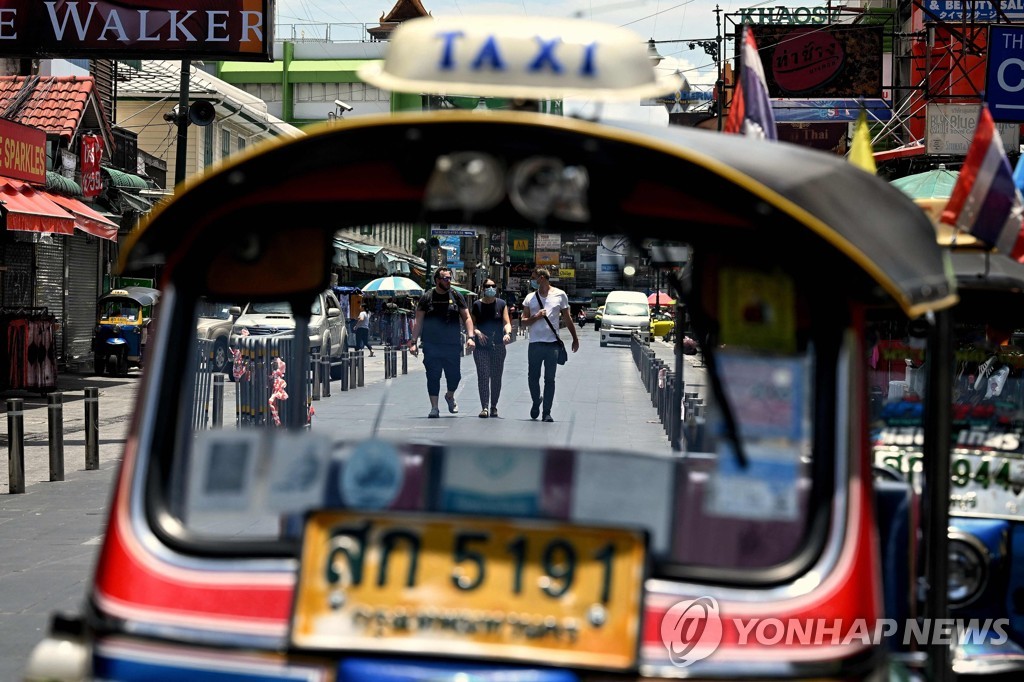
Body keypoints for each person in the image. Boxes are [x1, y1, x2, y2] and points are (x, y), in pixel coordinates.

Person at [409, 268, 476, 418]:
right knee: (433, 376)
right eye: (445, 278)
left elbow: (467, 317)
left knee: (455, 377)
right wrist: (413, 342)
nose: (448, 281)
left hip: (452, 344)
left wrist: (470, 337)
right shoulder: (427, 298)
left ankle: (450, 396)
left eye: (449, 278)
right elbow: (418, 322)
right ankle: (434, 407)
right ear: (437, 280)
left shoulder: (456, 295)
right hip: (431, 344)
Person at [521, 267, 579, 422]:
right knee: (533, 377)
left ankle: (546, 412)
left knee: (550, 379)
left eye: (534, 278)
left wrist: (575, 338)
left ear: (542, 278)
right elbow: (523, 322)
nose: (532, 281)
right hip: (535, 344)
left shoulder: (560, 295)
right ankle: (536, 401)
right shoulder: (529, 298)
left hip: (552, 344)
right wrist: (536, 316)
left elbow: (567, 318)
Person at [470, 278, 512, 418]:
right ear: (483, 288)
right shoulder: (477, 305)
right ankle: (485, 407)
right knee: (483, 376)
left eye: (493, 286)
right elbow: (472, 324)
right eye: (488, 286)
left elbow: (506, 322)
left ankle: (494, 406)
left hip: (498, 345)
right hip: (481, 347)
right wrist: (476, 332)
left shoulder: (501, 304)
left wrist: (508, 333)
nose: (491, 288)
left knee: (496, 377)